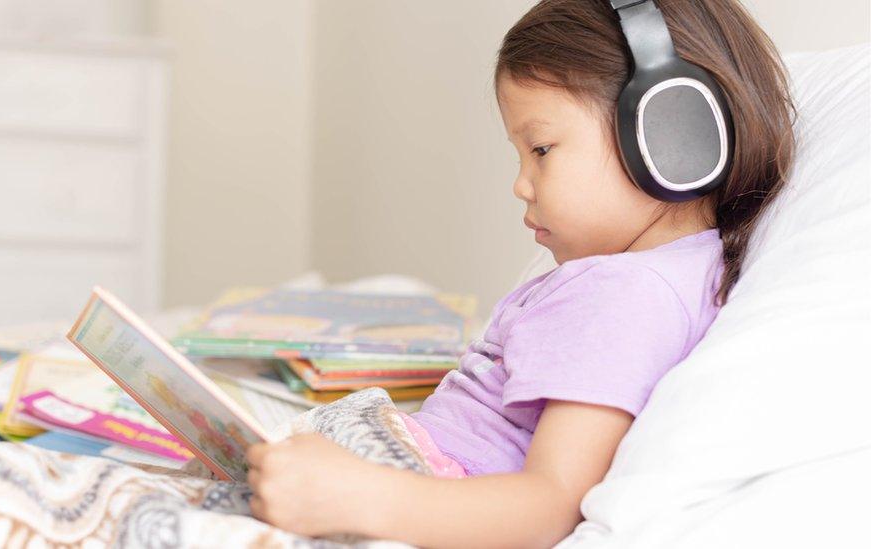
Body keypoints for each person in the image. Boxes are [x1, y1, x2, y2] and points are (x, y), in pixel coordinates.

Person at [245, 1, 796, 546]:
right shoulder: (644, 274)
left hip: (413, 500)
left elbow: (550, 504)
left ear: (671, 130)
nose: (521, 184)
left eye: (541, 149)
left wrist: (358, 496)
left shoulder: (625, 293)